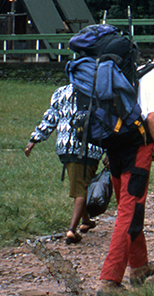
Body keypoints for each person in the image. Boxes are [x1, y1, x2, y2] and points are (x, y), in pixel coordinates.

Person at [95, 29, 154, 296]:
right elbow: (153, 118)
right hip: (137, 149)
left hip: (116, 145)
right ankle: (109, 281)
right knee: (129, 212)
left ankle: (138, 267)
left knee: (130, 210)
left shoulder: (137, 70)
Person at [24, 83, 105, 244]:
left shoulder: (61, 92)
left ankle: (86, 221)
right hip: (89, 147)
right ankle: (71, 230)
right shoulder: (98, 90)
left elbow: (51, 117)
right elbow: (106, 119)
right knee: (82, 189)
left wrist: (34, 139)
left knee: (79, 184)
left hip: (65, 146)